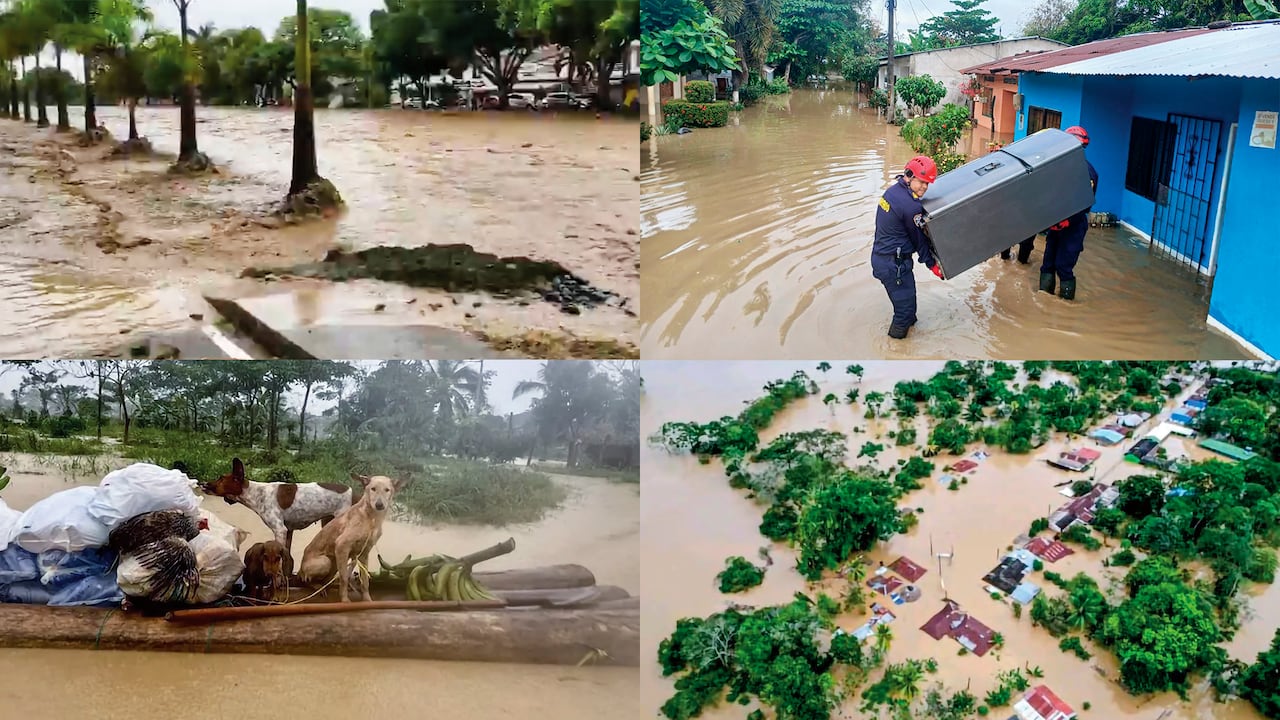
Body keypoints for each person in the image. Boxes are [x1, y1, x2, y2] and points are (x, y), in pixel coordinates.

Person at [872, 155, 945, 339]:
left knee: (910, 310)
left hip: (884, 259)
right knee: (904, 313)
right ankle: (894, 349)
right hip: (894, 266)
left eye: (927, 184)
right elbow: (918, 239)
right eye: (921, 182)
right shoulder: (909, 206)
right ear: (909, 176)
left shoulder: (893, 192)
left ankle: (910, 341)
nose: (924, 188)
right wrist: (932, 265)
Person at [1039, 125, 1098, 300]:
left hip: (1073, 227)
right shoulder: (1057, 168)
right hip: (1055, 224)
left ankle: (1066, 305)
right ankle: (1043, 300)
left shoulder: (1087, 172)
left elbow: (1084, 203)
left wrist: (1067, 220)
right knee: (1047, 264)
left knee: (1063, 267)